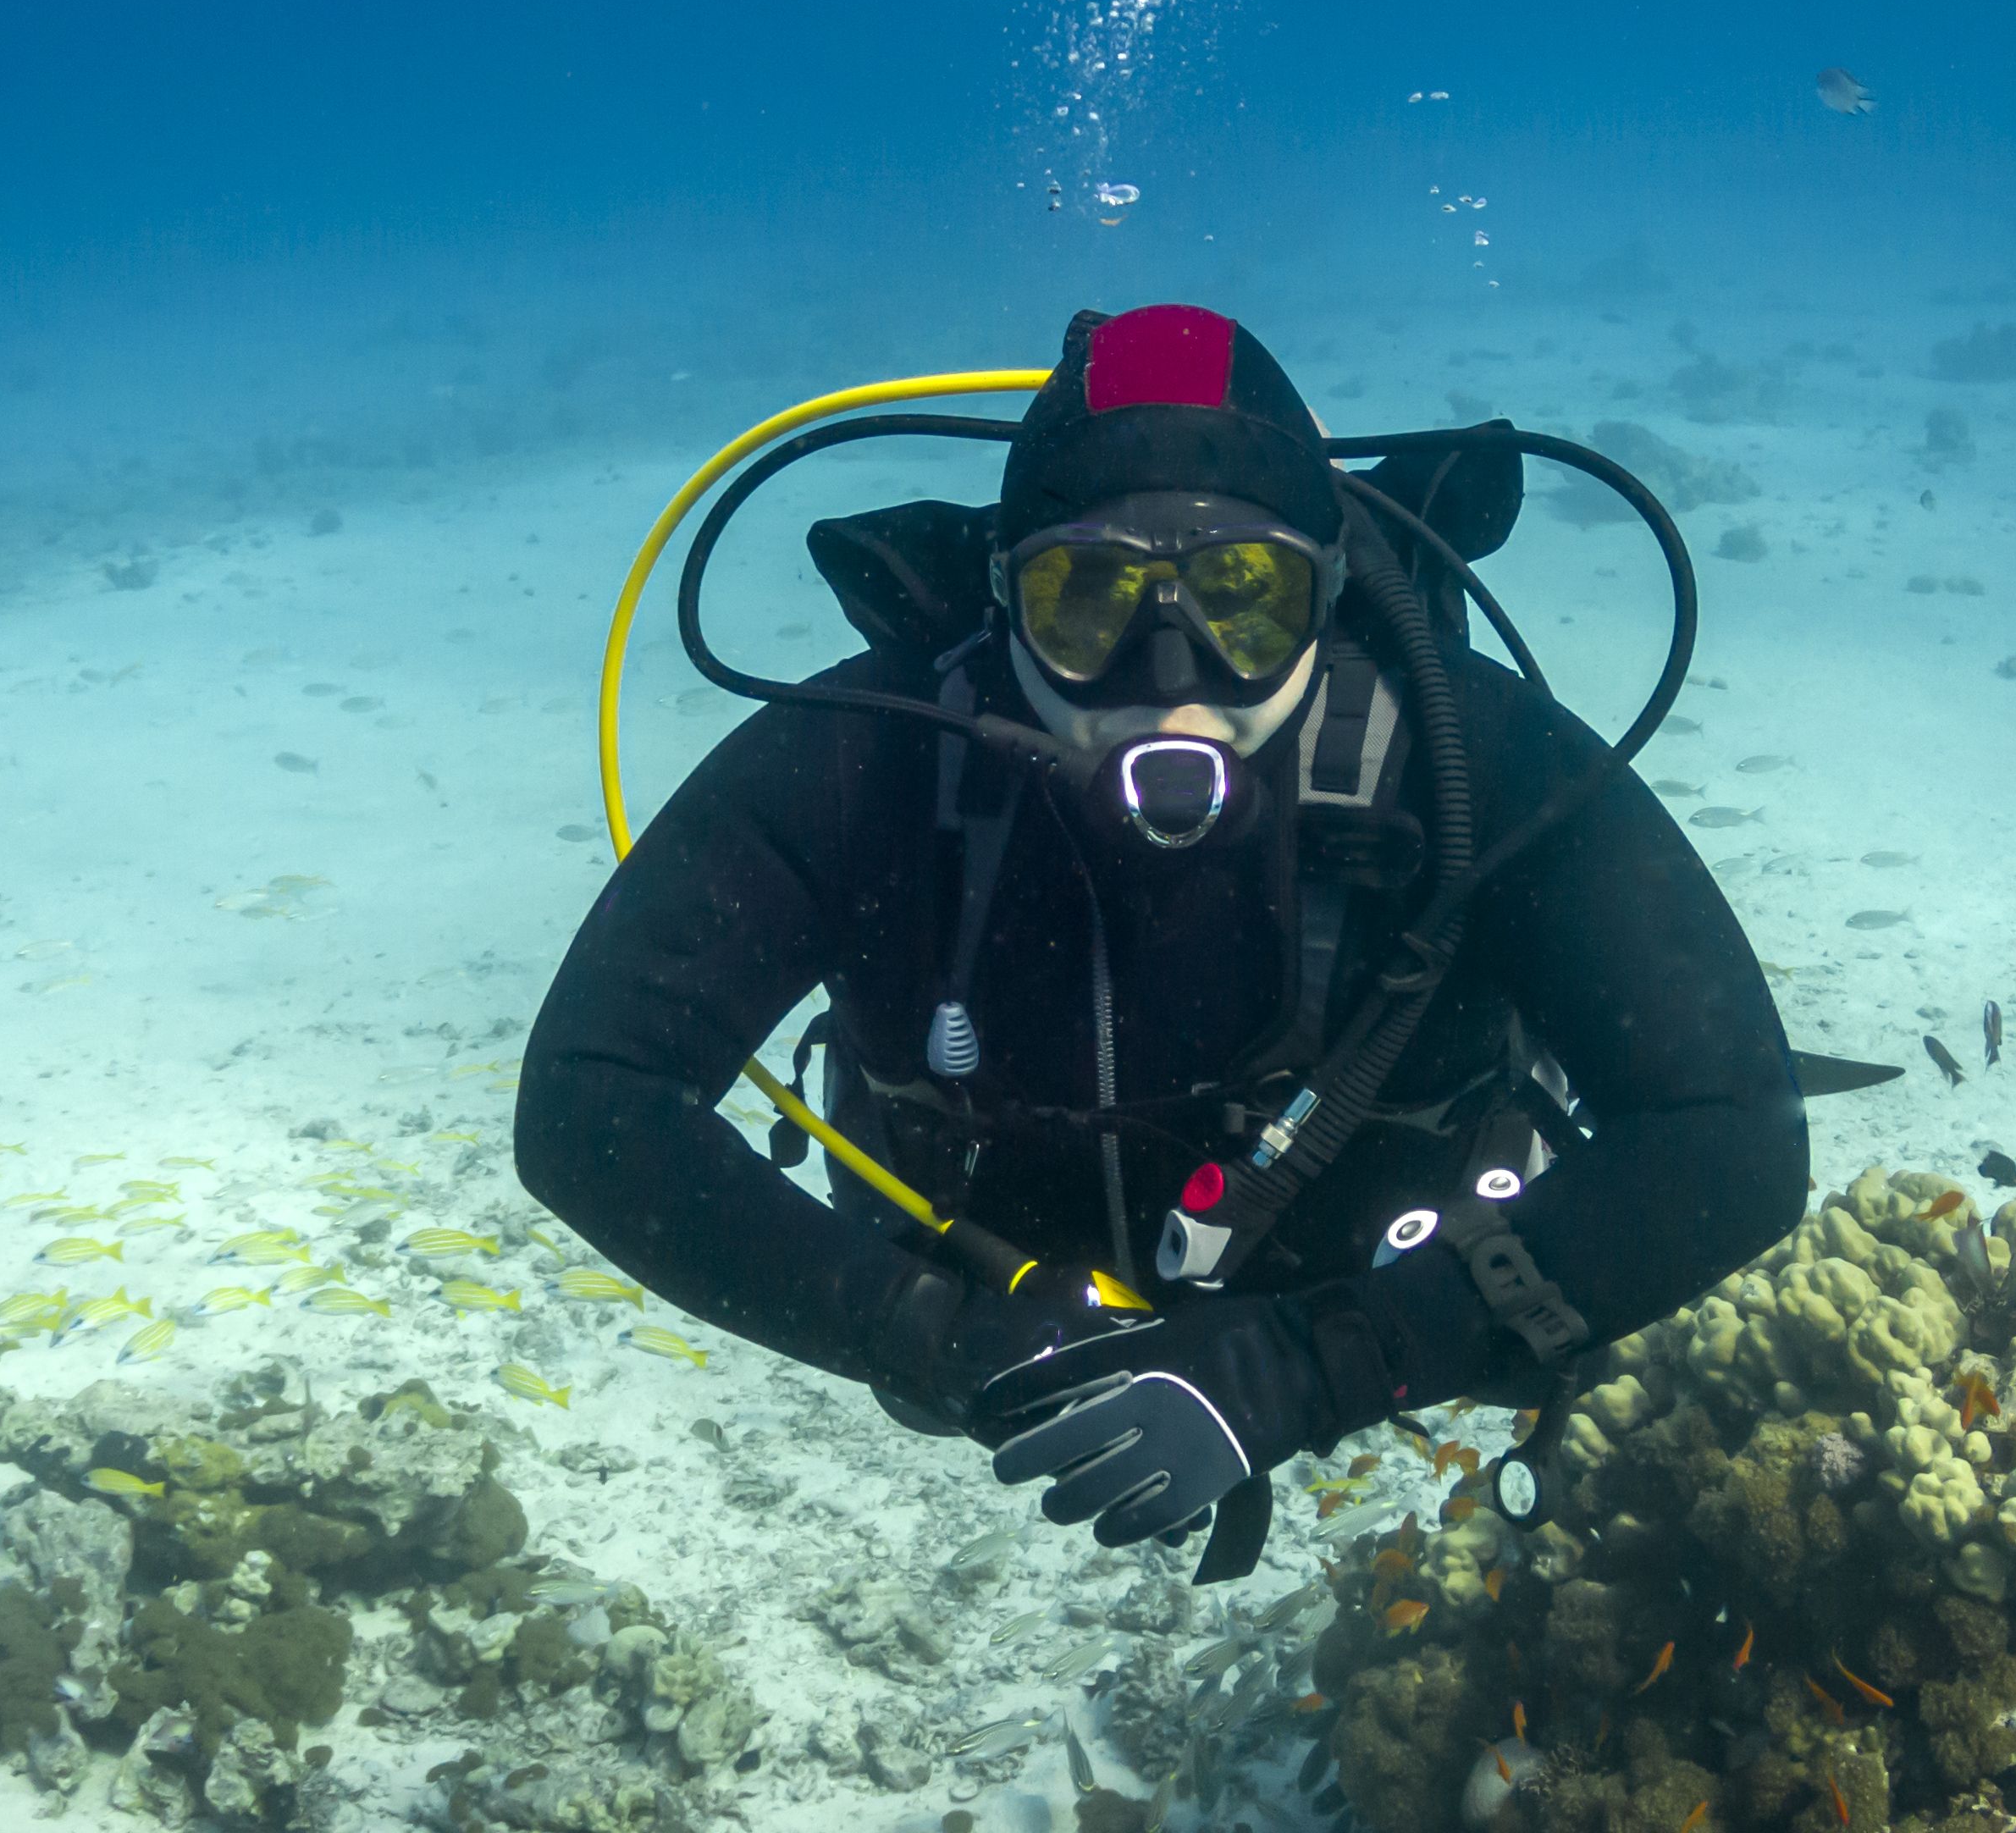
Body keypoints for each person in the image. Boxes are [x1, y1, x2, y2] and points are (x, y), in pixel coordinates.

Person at [516, 305, 1807, 1575]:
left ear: (1334, 589)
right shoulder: (874, 755)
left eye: (1247, 598)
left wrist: (1323, 1361)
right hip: (992, 1303)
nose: (1168, 666)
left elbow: (1733, 1133)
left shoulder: (1464, 754)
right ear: (1002, 600)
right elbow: (590, 1097)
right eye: (1086, 599)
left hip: (1380, 1281)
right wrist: (920, 1329)